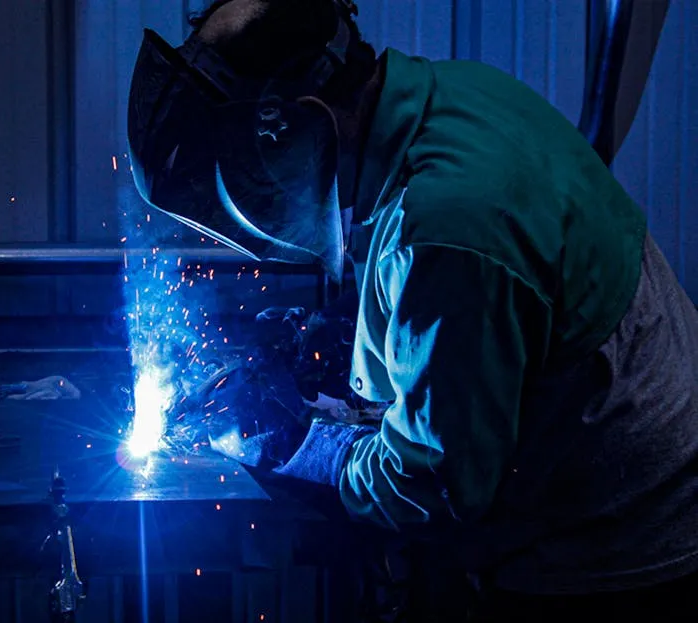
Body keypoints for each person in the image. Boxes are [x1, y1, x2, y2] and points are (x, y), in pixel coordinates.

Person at [126, 0, 698, 620]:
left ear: (286, 128)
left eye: (242, 164)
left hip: (613, 558)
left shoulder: (448, 227)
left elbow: (428, 486)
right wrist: (342, 326)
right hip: (612, 479)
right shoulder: (451, 97)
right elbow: (480, 297)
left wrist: (295, 444)